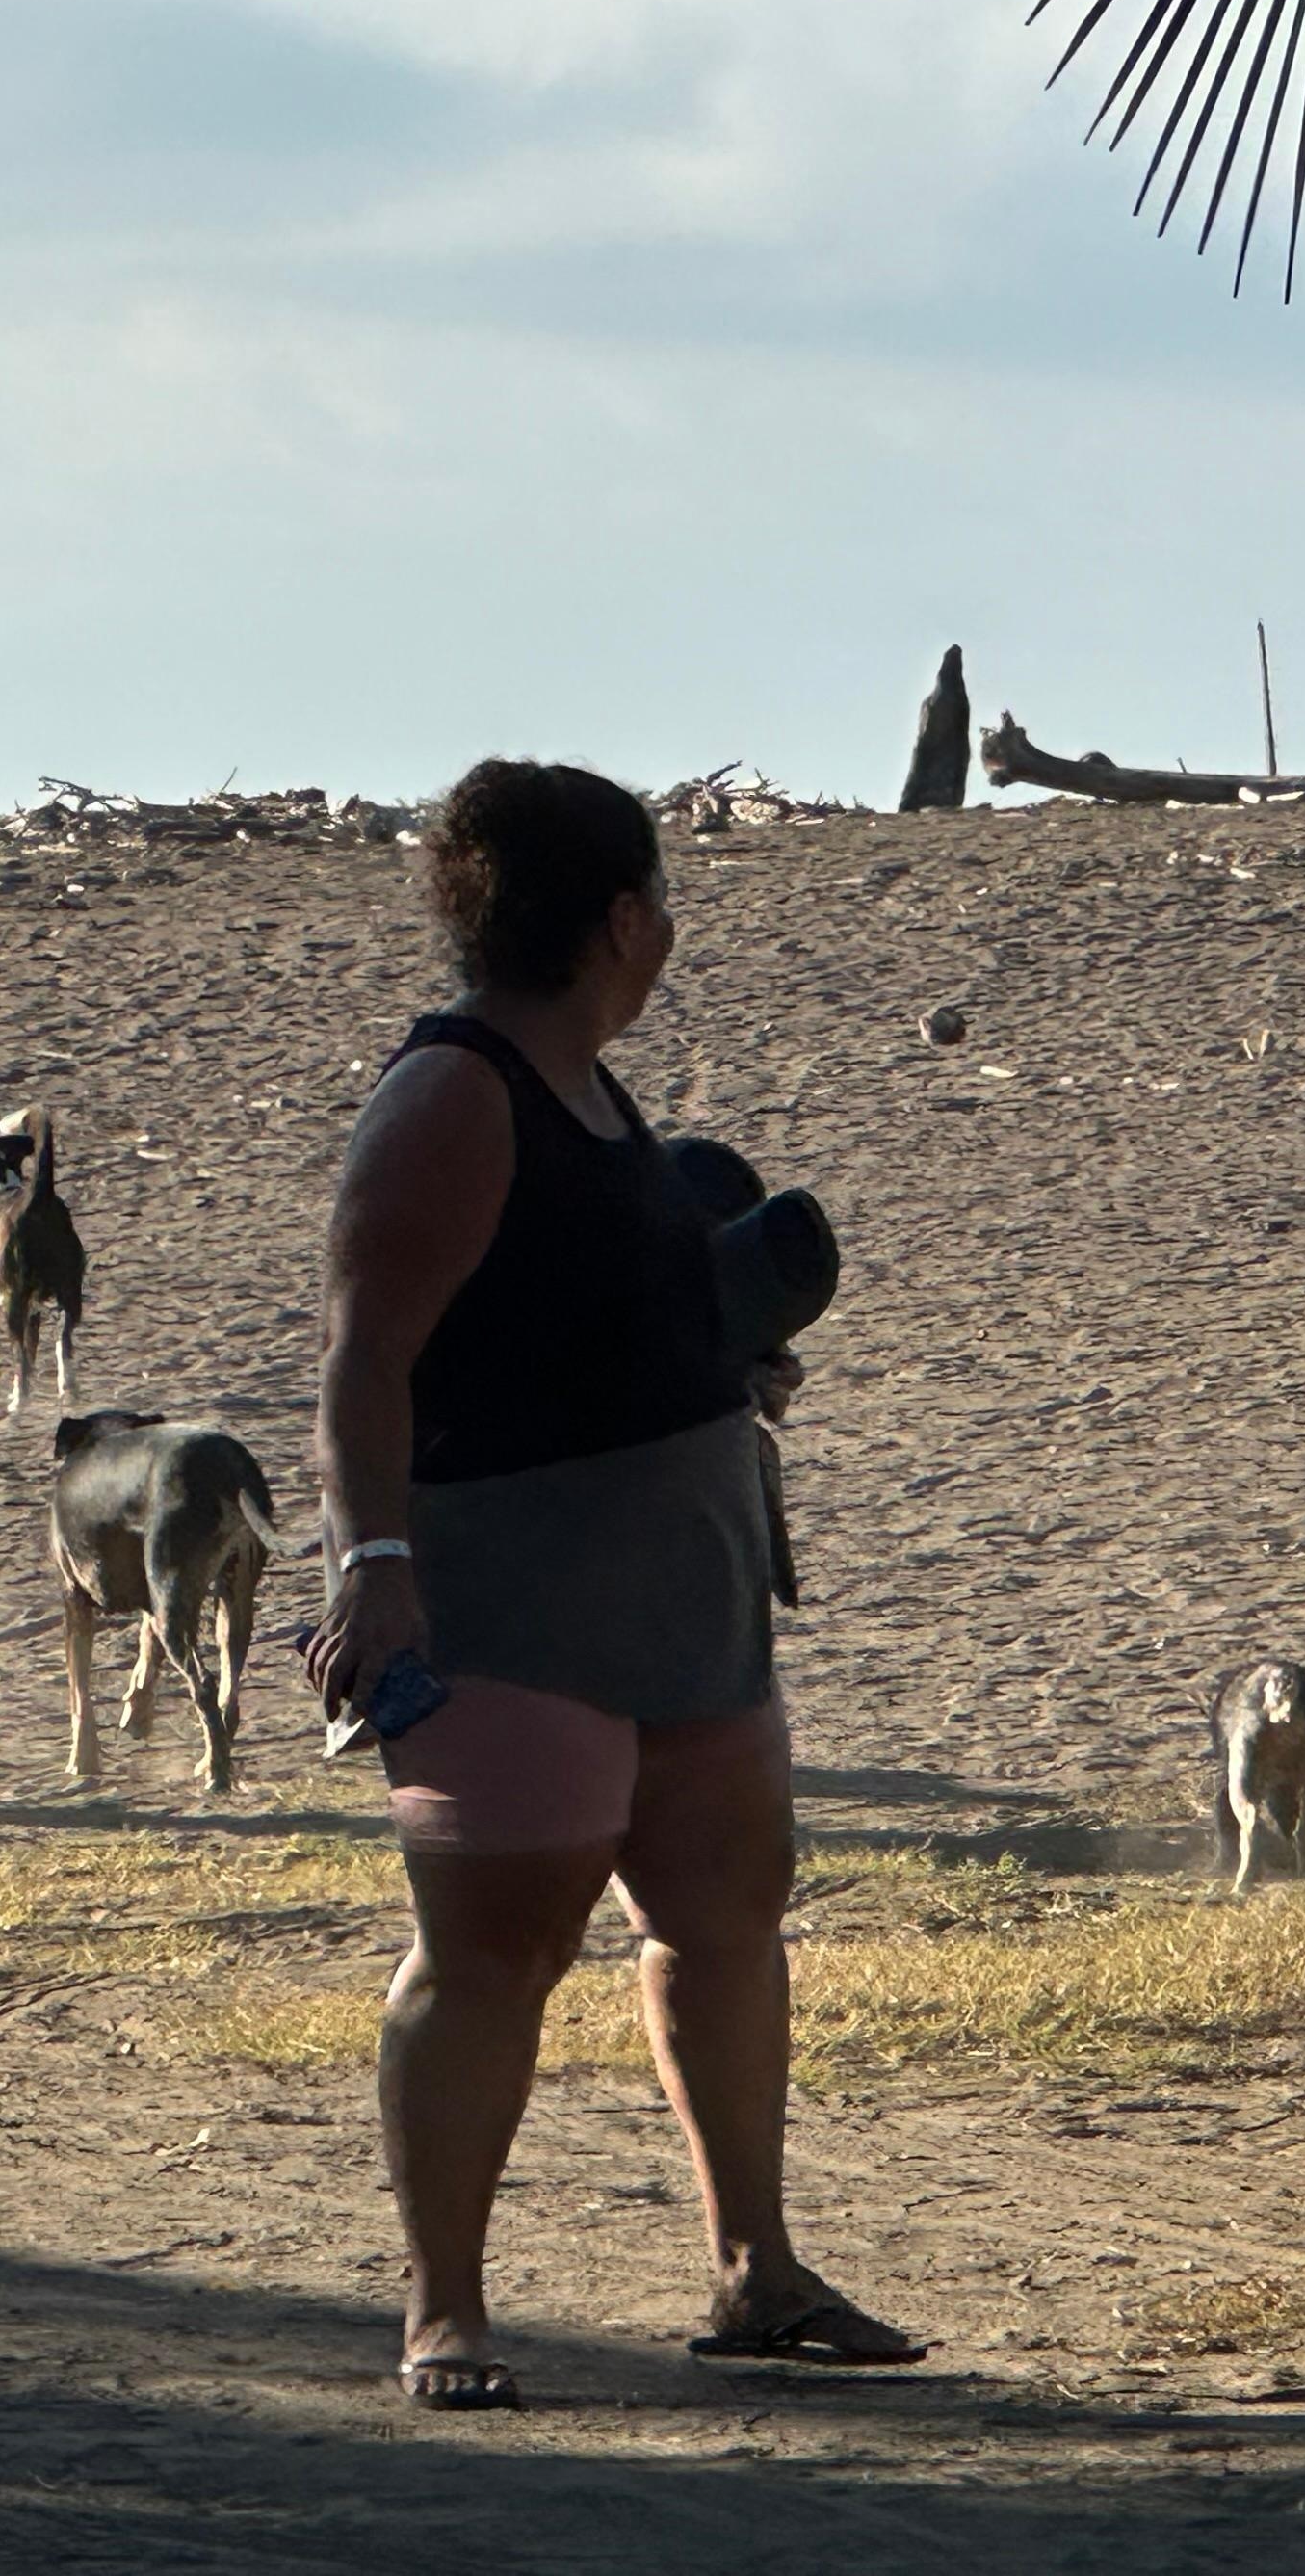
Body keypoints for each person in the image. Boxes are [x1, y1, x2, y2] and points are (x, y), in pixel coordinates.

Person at [308, 757, 920, 2411]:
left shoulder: (589, 1085)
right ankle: (445, 2308)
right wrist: (372, 1567)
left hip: (687, 1587)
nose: (669, 931)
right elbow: (364, 1361)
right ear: (621, 917)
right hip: (511, 1595)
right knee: (489, 1954)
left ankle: (756, 2271)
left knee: (722, 1923)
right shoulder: (453, 1094)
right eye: (661, 901)